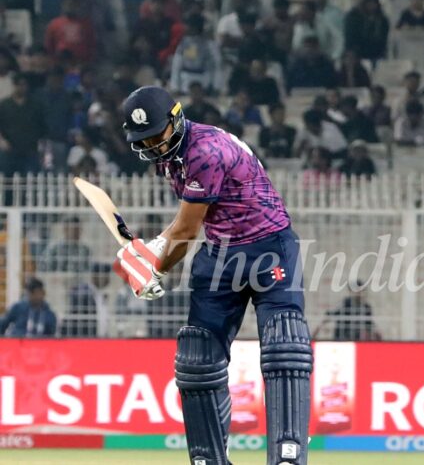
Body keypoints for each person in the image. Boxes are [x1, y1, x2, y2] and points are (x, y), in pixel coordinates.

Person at [113, 86, 311, 465]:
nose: (153, 145)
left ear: (176, 119)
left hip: (267, 246)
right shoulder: (172, 153)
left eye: (157, 134)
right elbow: (185, 222)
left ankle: (288, 456)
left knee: (284, 345)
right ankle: (208, 459)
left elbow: (187, 231)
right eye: (144, 139)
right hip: (220, 253)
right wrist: (149, 255)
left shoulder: (204, 150)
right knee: (197, 357)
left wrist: (153, 268)